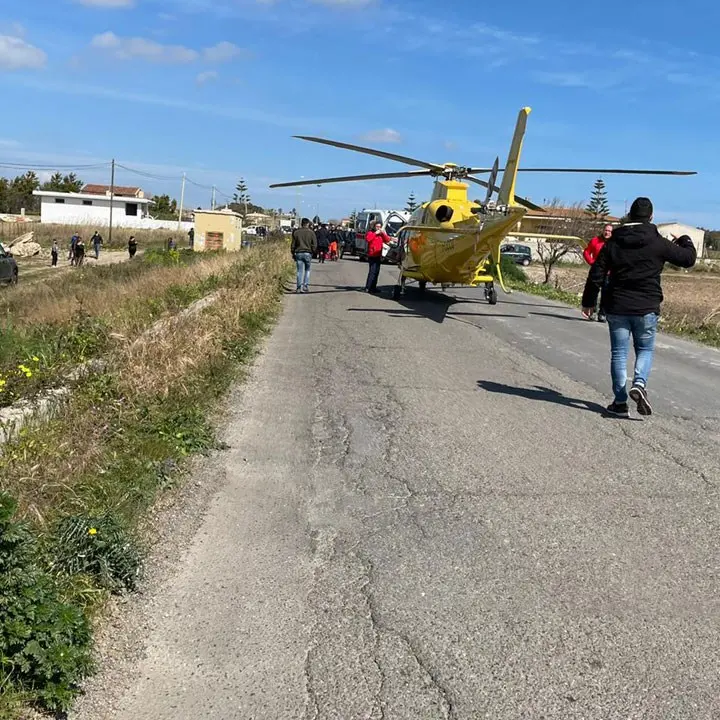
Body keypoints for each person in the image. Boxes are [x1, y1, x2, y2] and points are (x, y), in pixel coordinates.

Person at [581, 197, 696, 418]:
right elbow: (688, 259)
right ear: (651, 217)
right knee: (644, 349)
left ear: (630, 216)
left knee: (619, 353)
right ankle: (639, 383)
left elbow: (596, 273)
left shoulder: (614, 242)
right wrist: (684, 239)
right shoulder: (658, 243)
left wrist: (589, 302)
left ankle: (620, 402)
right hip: (647, 308)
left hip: (617, 306)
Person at [583, 223, 613, 322]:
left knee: (606, 293)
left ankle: (602, 314)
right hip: (597, 271)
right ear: (602, 230)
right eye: (606, 230)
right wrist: (592, 262)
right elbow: (586, 252)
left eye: (609, 231)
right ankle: (593, 311)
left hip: (609, 273)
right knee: (593, 291)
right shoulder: (595, 241)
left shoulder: (614, 243)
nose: (607, 232)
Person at [291, 218, 317, 293]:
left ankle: (298, 287)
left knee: (299, 271)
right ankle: (305, 286)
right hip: (308, 253)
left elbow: (293, 244)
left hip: (298, 253)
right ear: (308, 224)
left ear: (301, 223)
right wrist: (312, 251)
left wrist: (293, 253)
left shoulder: (296, 232)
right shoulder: (311, 233)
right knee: (307, 270)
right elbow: (314, 244)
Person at [365, 221, 389, 293]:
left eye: (380, 227)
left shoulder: (381, 235)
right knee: (372, 272)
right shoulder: (371, 233)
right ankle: (368, 287)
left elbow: (387, 240)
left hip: (378, 255)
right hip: (372, 255)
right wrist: (375, 233)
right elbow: (368, 239)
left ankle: (373, 287)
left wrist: (383, 233)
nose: (378, 228)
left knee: (376, 272)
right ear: (374, 227)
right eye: (377, 227)